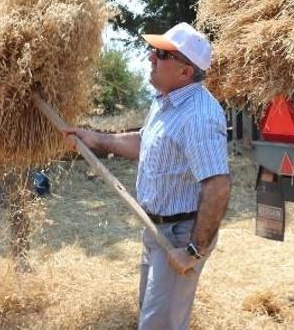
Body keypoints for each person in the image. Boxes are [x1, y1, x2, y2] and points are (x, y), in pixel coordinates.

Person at [65, 22, 231, 330]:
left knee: (160, 325)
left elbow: (217, 186)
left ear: (186, 72)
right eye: (153, 51)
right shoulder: (166, 102)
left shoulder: (199, 116)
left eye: (161, 54)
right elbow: (144, 141)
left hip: (180, 235)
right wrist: (96, 139)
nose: (151, 58)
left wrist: (193, 250)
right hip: (154, 230)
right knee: (151, 315)